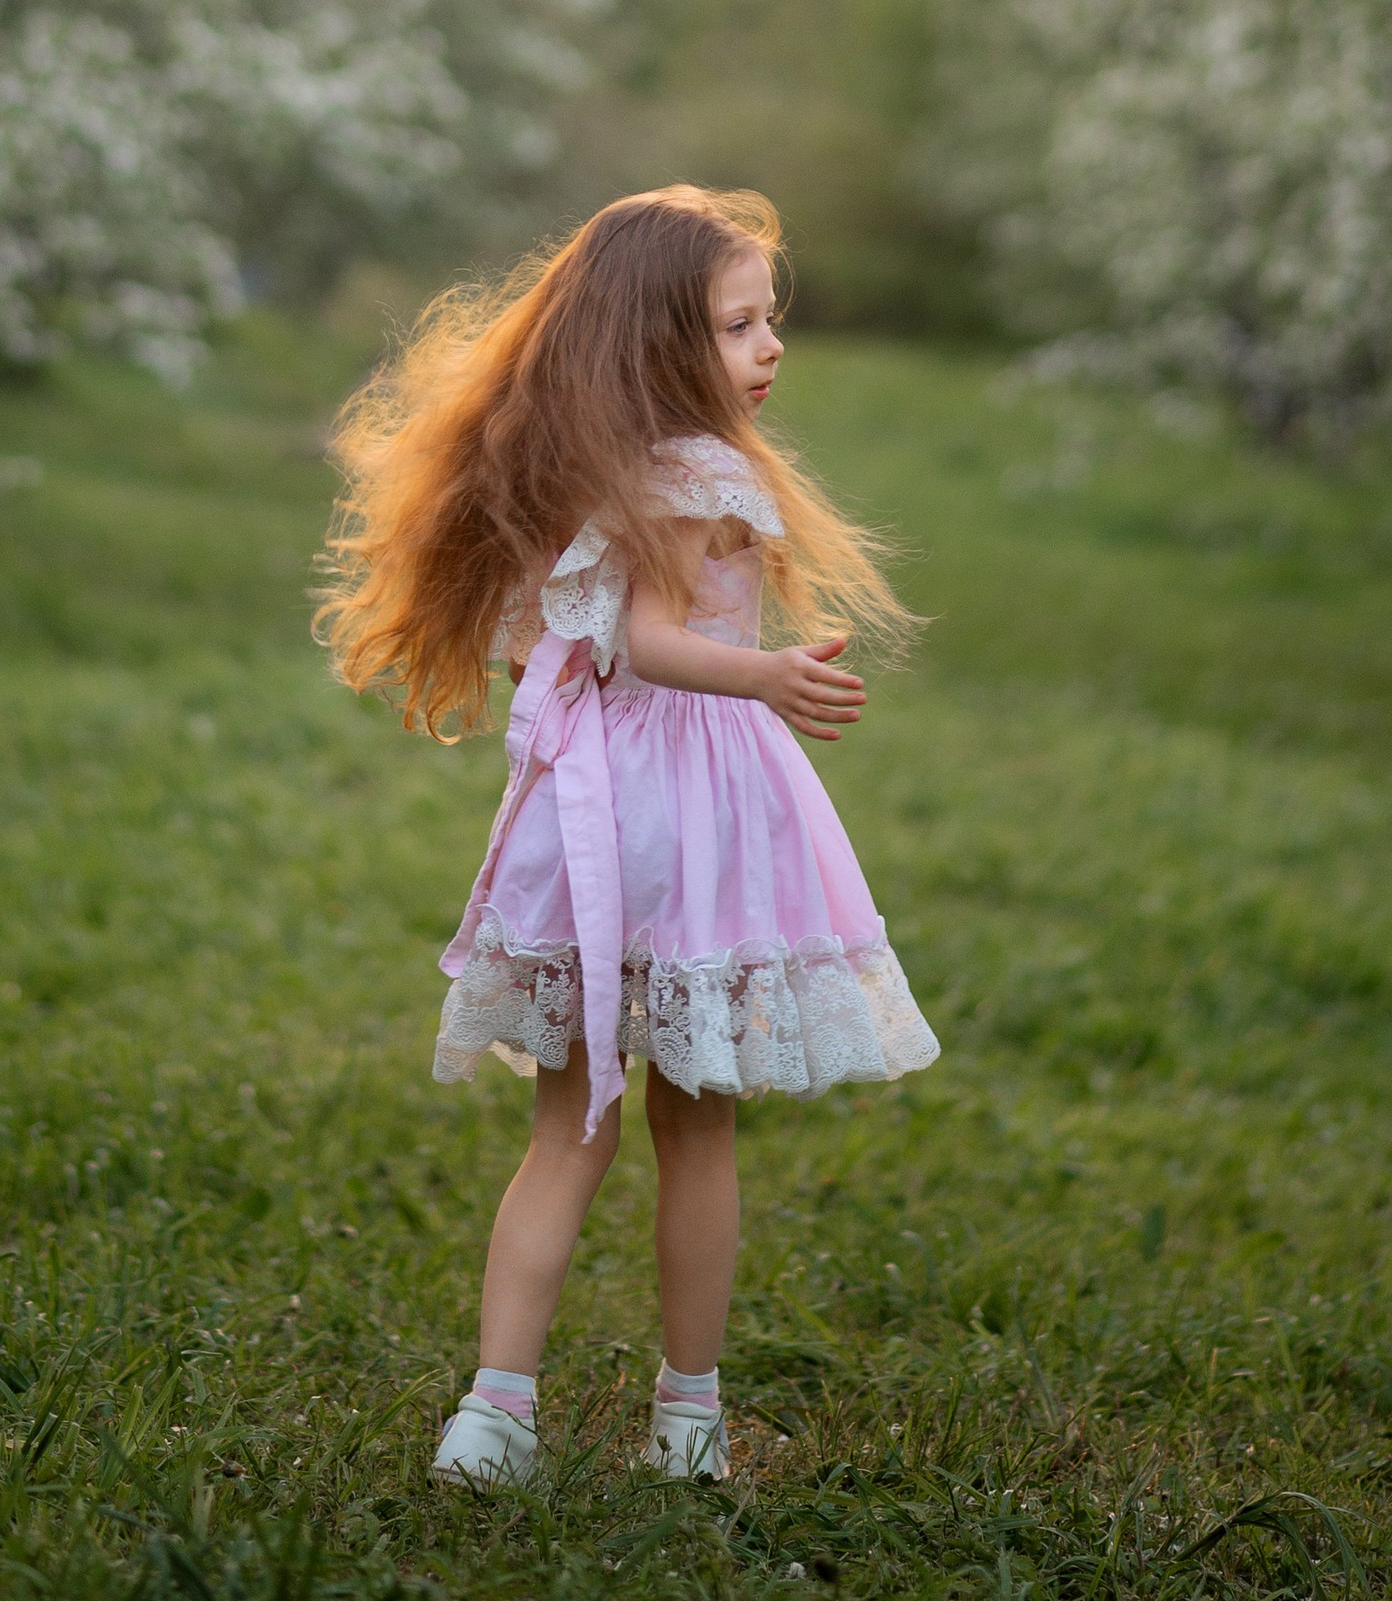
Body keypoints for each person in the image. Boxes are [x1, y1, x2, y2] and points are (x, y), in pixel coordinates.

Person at [316, 184, 937, 1488]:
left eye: (769, 319)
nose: (771, 346)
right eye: (738, 326)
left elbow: (562, 642)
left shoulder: (570, 463)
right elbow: (649, 638)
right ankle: (688, 1416)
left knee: (567, 1132)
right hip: (690, 815)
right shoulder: (699, 472)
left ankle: (496, 1410)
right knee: (694, 1130)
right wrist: (766, 676)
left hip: (592, 806)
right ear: (661, 343)